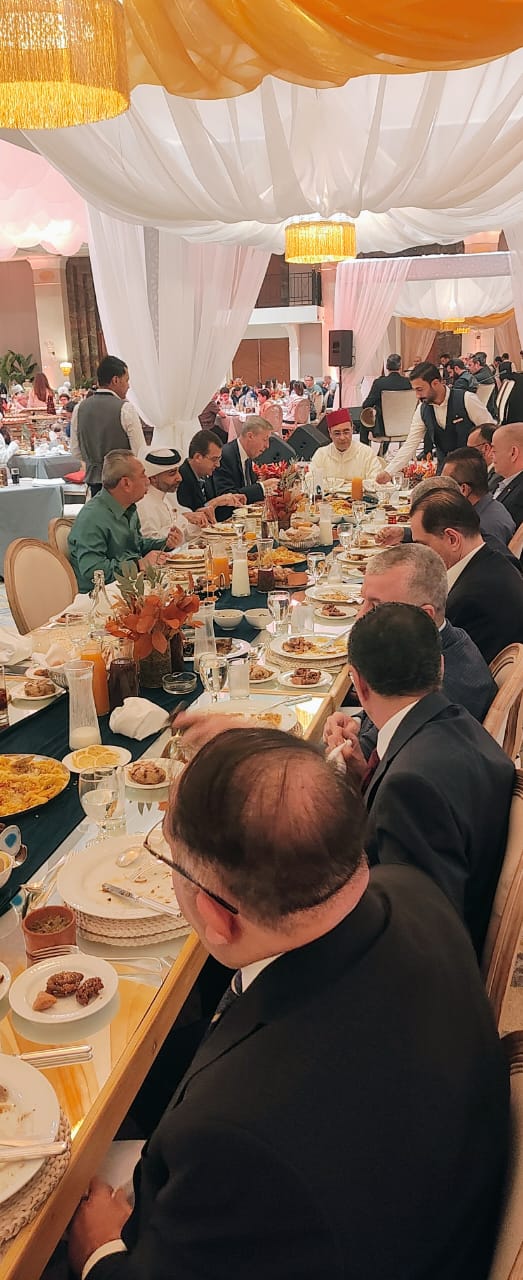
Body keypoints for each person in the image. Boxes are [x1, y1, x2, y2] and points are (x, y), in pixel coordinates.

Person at [68, 725, 509, 1280]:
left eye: (170, 860)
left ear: (215, 915)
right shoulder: (413, 891)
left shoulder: (232, 1140)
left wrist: (99, 1250)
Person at [346, 602, 514, 957]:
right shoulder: (461, 724)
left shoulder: (409, 789)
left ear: (358, 684)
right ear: (440, 665)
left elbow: (417, 935)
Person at [323, 544, 496, 763]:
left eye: (377, 607)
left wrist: (350, 747)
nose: (360, 616)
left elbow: (376, 757)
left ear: (425, 616)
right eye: (363, 601)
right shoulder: (443, 641)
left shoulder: (440, 686)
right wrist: (356, 723)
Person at [409, 487, 523, 662]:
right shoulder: (494, 558)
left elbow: (432, 666)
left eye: (423, 546)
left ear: (452, 539)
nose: (420, 555)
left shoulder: (468, 600)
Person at [68, 450, 180, 592]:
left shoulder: (128, 507)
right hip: (102, 595)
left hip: (130, 585)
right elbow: (93, 570)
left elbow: (137, 545)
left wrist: (165, 544)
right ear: (126, 483)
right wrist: (138, 565)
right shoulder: (92, 518)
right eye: (143, 475)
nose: (148, 481)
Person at [377, 361, 495, 482]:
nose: (417, 395)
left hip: (473, 473)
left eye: (420, 389)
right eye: (415, 390)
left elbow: (492, 433)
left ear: (435, 383)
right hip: (444, 473)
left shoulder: (466, 399)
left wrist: (491, 469)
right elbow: (411, 444)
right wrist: (388, 472)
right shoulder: (422, 410)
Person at [71, 355, 145, 497]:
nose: (128, 386)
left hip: (94, 482)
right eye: (126, 380)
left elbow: (76, 451)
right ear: (115, 380)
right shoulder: (125, 408)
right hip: (122, 484)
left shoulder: (79, 408)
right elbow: (139, 451)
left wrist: (93, 462)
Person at [442, 447, 516, 546]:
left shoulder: (484, 530)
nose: (440, 491)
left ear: (463, 489)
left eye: (445, 484)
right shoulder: (486, 509)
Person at [136, 447, 212, 540]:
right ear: (154, 478)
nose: (179, 478)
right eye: (172, 473)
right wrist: (184, 519)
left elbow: (180, 533)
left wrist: (199, 525)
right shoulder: (144, 504)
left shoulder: (165, 497)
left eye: (178, 471)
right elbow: (152, 541)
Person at [213, 417, 279, 518]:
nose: (267, 446)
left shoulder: (247, 455)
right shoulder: (226, 455)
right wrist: (262, 487)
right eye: (265, 440)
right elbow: (226, 496)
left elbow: (246, 490)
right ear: (250, 436)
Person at [177, 430, 246, 517]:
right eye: (214, 459)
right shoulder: (180, 478)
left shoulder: (206, 474)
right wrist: (216, 502)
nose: (218, 465)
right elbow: (189, 516)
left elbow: (215, 513)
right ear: (198, 457)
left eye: (219, 459)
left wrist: (227, 500)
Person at [310, 412, 380, 486]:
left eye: (346, 432)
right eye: (337, 433)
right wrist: (344, 483)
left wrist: (334, 483)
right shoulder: (321, 454)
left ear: (352, 430)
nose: (342, 438)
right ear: (330, 433)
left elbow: (376, 482)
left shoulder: (366, 453)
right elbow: (310, 481)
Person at [359, 353, 411, 445]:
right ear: (400, 367)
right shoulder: (409, 383)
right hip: (405, 427)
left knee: (364, 421)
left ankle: (365, 451)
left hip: (383, 428)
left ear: (386, 367)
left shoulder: (379, 383)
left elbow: (366, 405)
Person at [491, 421, 523, 528]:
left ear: (513, 453)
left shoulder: (520, 494)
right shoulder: (497, 480)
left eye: (494, 451)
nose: (491, 456)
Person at [467, 423, 502, 491]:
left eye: (470, 449)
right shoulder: (480, 473)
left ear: (486, 448)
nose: (467, 454)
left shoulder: (499, 476)